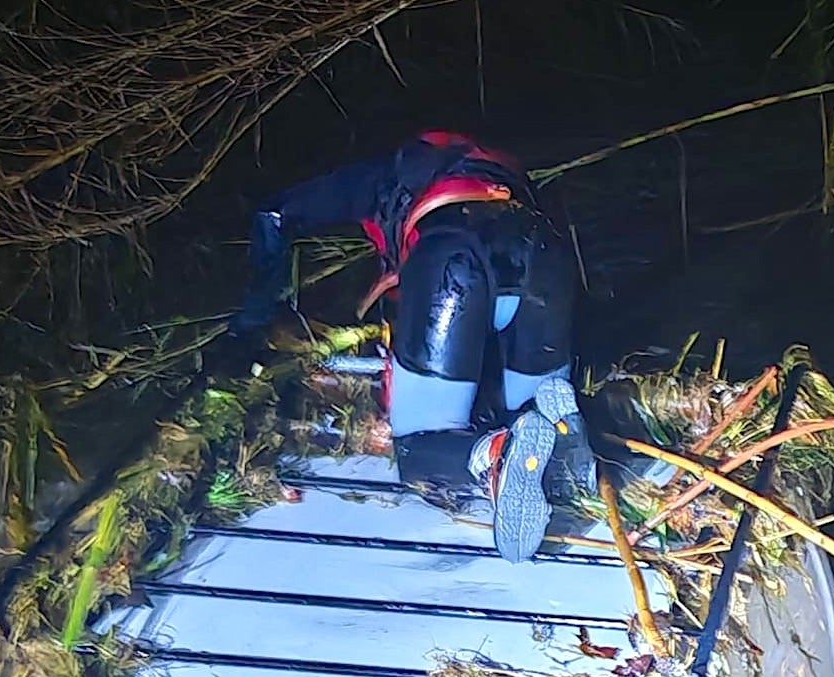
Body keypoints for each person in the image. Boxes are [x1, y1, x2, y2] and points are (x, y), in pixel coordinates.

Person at [232, 130, 596, 562]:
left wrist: (252, 321)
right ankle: (562, 432)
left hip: (454, 258)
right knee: (524, 411)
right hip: (542, 251)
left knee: (418, 447)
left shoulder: (380, 177)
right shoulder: (503, 169)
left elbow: (275, 213)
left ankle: (493, 457)